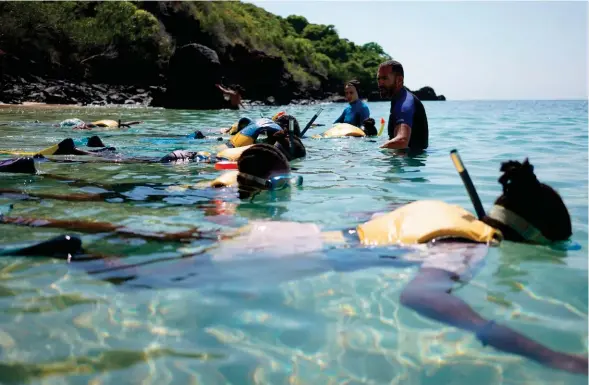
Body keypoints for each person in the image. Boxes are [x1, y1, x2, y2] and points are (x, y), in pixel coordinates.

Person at [377, 60, 429, 151]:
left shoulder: (404, 103)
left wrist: (374, 152)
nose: (380, 83)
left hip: (410, 162)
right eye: (379, 79)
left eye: (385, 78)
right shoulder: (398, 99)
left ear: (399, 80)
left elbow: (401, 141)